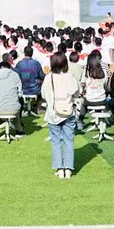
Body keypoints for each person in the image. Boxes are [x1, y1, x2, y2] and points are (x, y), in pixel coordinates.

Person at [41, 50, 79, 178]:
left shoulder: (48, 78)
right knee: (69, 141)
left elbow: (43, 95)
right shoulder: (70, 77)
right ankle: (68, 168)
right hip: (68, 112)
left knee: (56, 141)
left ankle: (59, 168)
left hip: (53, 113)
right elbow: (77, 93)